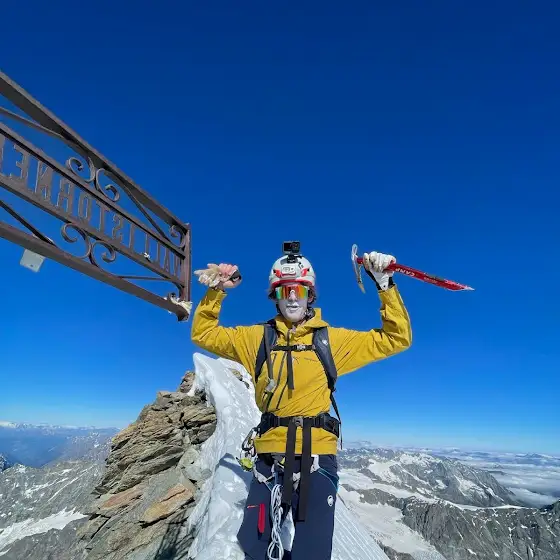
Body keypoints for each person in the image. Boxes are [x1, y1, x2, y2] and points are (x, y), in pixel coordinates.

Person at [190, 246, 412, 560]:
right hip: (269, 458)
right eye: (285, 290)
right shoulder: (257, 339)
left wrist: (385, 286)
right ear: (275, 296)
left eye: (300, 290)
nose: (292, 298)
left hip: (317, 457)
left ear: (310, 295)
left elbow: (396, 338)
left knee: (312, 553)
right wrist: (216, 291)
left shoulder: (331, 341)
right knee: (254, 546)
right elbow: (203, 334)